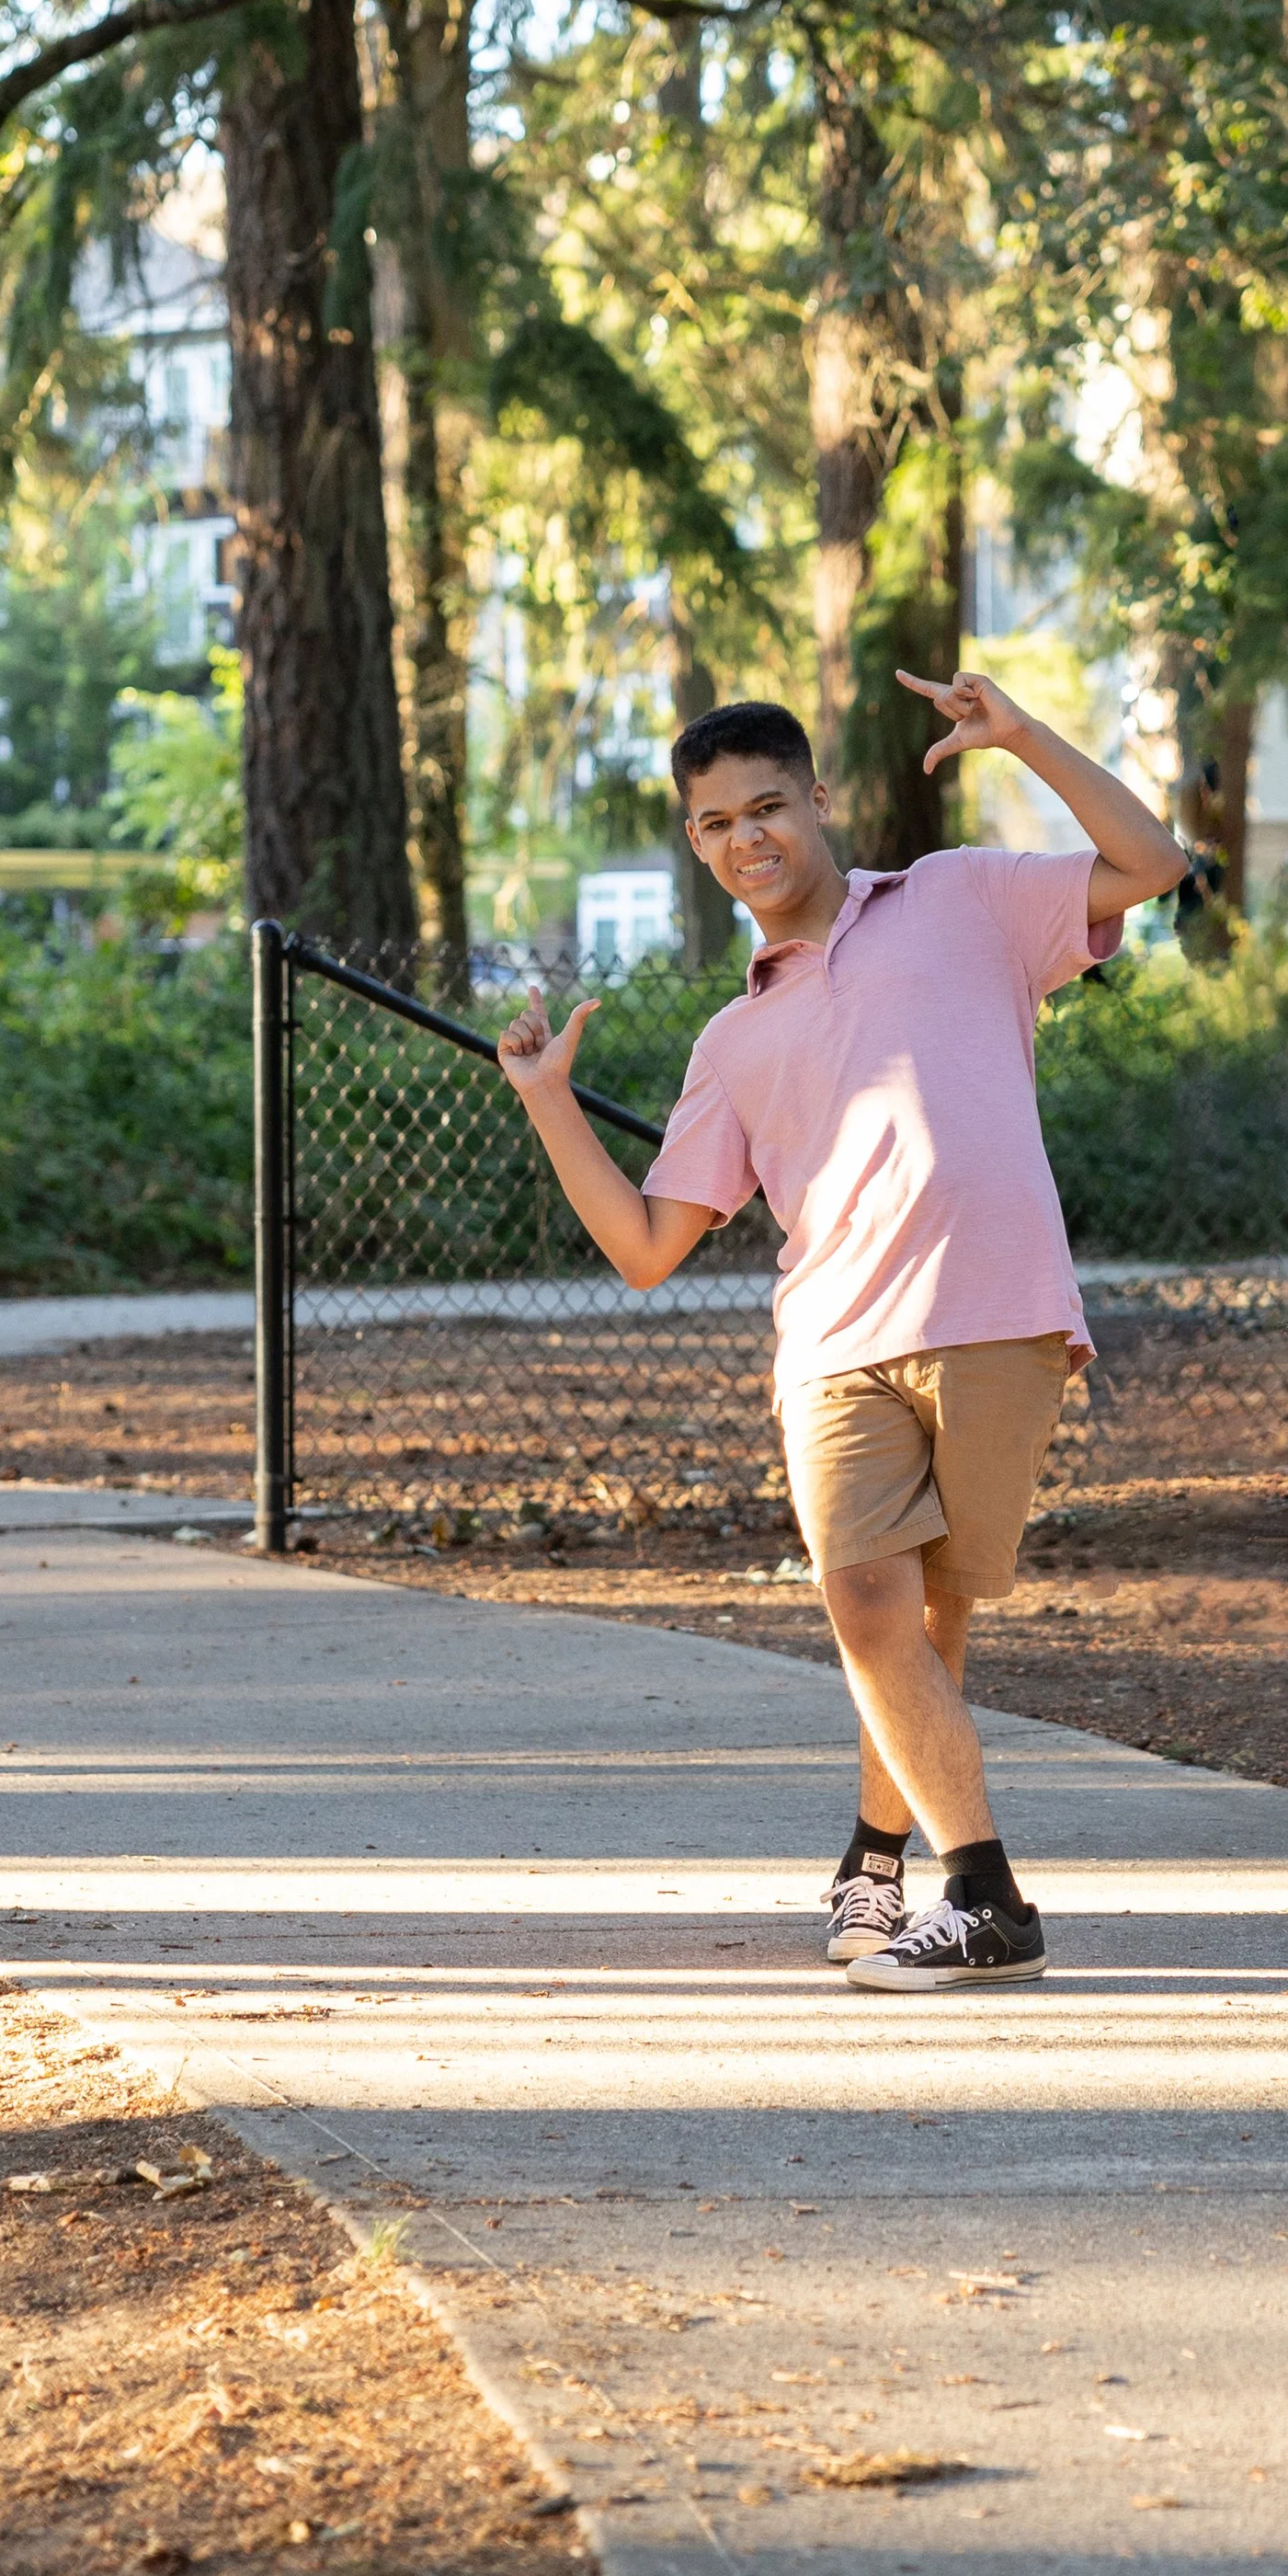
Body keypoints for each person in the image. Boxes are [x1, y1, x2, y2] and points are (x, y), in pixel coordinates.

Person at [495, 670, 1186, 1991]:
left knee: (928, 1625)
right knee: (865, 1601)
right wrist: (547, 1102)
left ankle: (877, 1850)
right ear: (696, 846)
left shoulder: (961, 898)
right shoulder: (732, 1040)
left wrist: (1022, 735)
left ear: (820, 801)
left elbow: (1152, 862)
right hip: (830, 1349)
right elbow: (647, 1248)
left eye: (769, 806)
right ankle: (988, 1897)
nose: (747, 837)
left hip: (997, 1317)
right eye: (715, 824)